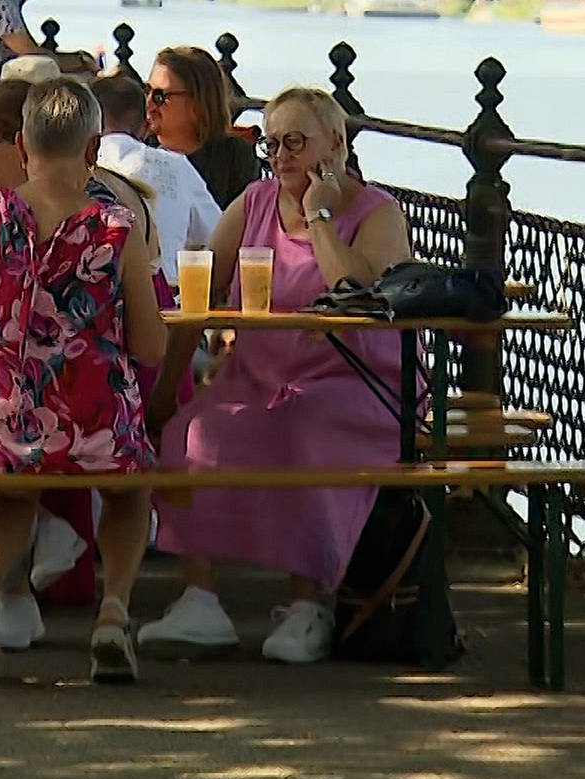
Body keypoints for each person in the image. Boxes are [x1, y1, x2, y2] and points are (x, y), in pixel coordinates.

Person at [138, 87, 413, 666]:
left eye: (296, 142)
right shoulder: (254, 201)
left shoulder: (378, 212)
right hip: (258, 375)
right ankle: (201, 597)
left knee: (301, 430)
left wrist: (318, 215)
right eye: (272, 143)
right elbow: (200, 289)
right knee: (189, 432)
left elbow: (357, 293)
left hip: (353, 383)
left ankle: (308, 601)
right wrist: (166, 394)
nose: (282, 156)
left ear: (335, 144)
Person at [0, 78, 167, 684]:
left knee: (15, 487)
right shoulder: (115, 229)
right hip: (89, 417)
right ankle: (114, 614)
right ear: (93, 147)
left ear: (21, 144)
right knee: (132, 482)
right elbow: (150, 348)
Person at [91, 74, 221, 288]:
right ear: (144, 126)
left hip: (97, 300)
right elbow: (215, 236)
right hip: (164, 299)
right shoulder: (177, 166)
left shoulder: (77, 167)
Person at [147, 46, 259, 208]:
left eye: (159, 96)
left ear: (198, 102)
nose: (149, 103)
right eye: (147, 90)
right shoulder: (138, 152)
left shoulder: (232, 156)